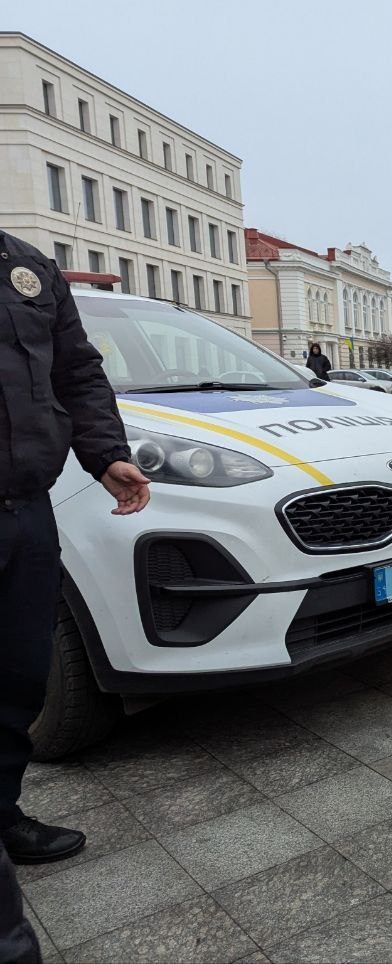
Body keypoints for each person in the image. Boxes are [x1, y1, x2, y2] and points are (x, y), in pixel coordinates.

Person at [0, 229, 151, 865]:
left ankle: (1, 814)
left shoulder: (26, 266)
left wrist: (106, 455)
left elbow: (76, 370)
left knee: (18, 674)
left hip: (24, 507)